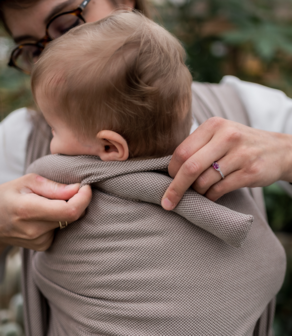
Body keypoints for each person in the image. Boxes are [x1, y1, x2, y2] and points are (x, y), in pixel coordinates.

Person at [0, 0, 291, 334]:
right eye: (32, 49)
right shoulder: (16, 138)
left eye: (66, 24)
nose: (52, 53)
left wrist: (285, 153)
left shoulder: (243, 106)